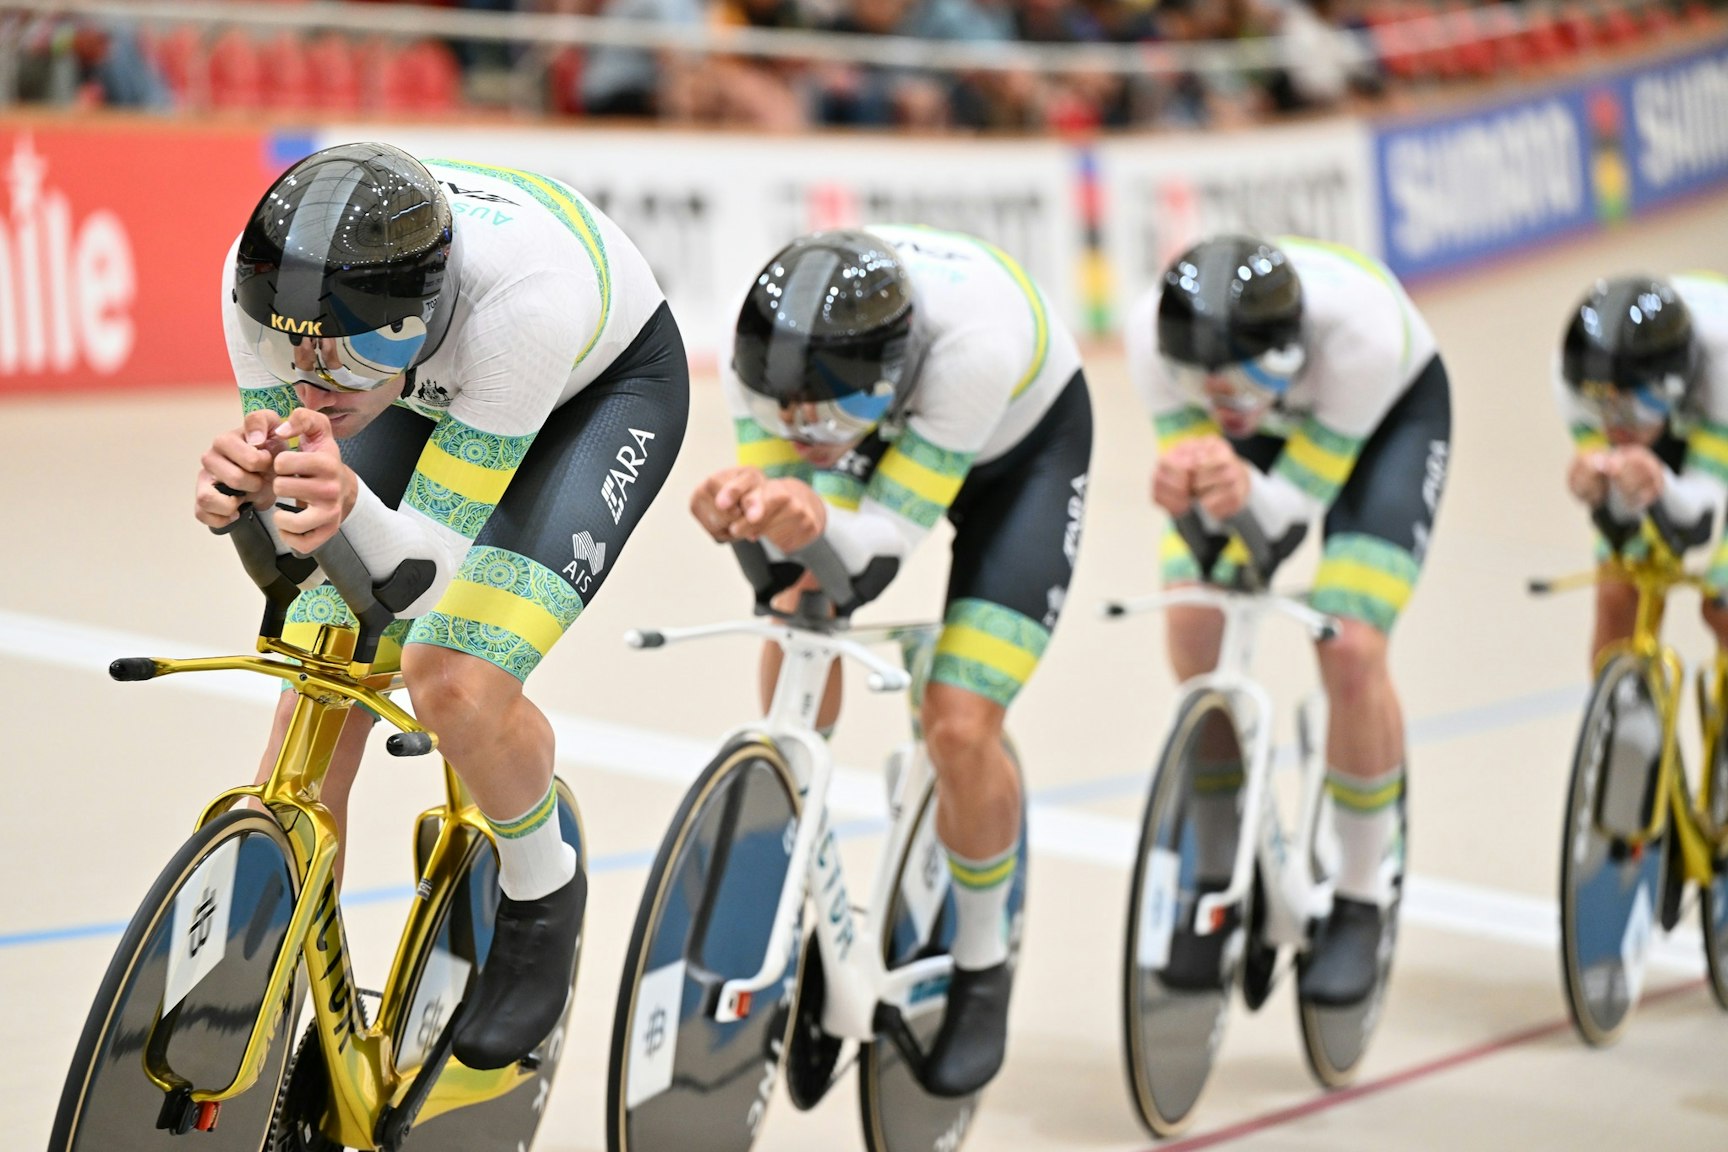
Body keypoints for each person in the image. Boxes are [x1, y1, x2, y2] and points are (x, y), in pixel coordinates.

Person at [194, 141, 689, 1071]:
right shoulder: (253, 282)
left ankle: (543, 887)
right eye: (290, 342)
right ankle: (281, 996)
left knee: (450, 680)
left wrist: (333, 508)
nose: (315, 371)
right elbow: (300, 547)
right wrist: (247, 504)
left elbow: (420, 575)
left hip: (594, 393)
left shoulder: (524, 310)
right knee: (319, 673)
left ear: (419, 317)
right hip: (425, 388)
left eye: (354, 348)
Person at [690, 226, 1093, 1096]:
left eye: (831, 416)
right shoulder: (758, 353)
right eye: (793, 415)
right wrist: (744, 513)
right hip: (885, 420)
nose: (809, 432)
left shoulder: (971, 349)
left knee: (958, 721)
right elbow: (791, 564)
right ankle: (790, 840)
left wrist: (814, 505)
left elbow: (873, 558)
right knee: (799, 599)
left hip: (1022, 458)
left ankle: (982, 962)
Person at [1126, 233, 1451, 1006]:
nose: (1229, 395)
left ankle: (1363, 896)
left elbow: (1289, 518)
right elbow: (1215, 511)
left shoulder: (1362, 339)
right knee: (1195, 625)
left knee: (1350, 643)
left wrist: (1236, 485)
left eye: (1244, 381)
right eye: (1212, 385)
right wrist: (1188, 488)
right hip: (1267, 432)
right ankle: (1217, 868)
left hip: (1381, 425)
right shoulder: (1153, 335)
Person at [1554, 273, 1728, 662]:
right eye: (1601, 406)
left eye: (1631, 406)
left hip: (1721, 411)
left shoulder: (1722, 366)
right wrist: (1601, 494)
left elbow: (1705, 519)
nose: (1614, 424)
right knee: (1619, 593)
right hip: (1681, 413)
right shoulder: (1573, 375)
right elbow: (1623, 523)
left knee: (1723, 607)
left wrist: (1660, 483)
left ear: (1674, 384)